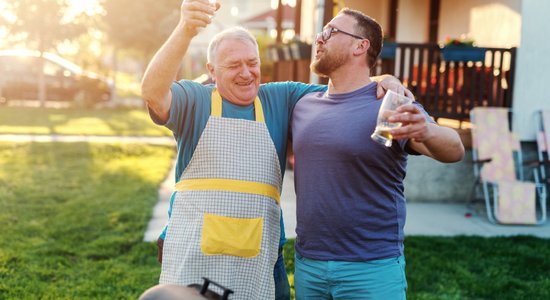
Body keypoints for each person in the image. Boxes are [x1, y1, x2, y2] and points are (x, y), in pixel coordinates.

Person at [141, 1, 407, 299]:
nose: (246, 73)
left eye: (252, 63)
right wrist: (185, 30)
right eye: (233, 65)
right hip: (194, 252)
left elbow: (346, 87)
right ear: (211, 71)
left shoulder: (283, 98)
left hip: (261, 254)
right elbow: (152, 92)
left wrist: (384, 79)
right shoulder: (194, 100)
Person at [290, 8, 465, 300]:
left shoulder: (390, 104)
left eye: (330, 32)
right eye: (320, 32)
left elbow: (455, 150)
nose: (319, 39)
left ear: (361, 45)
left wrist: (427, 131)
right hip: (309, 265)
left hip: (371, 268)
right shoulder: (302, 102)